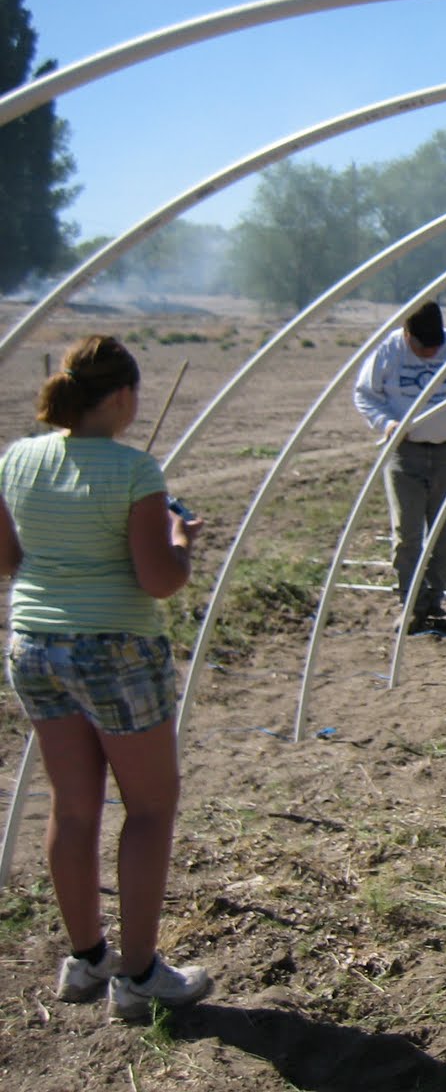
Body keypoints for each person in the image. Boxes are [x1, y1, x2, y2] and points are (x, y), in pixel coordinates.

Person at [1, 336, 212, 1020]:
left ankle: (87, 960)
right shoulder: (135, 472)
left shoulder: (16, 460)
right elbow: (157, 582)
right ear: (121, 397)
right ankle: (141, 973)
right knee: (149, 807)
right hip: (116, 652)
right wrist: (182, 544)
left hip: (34, 647)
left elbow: (8, 561)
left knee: (73, 805)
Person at [353, 302, 446, 632]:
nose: (431, 352)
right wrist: (386, 423)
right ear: (407, 334)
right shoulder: (388, 350)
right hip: (405, 453)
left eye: (435, 346)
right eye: (423, 347)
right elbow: (364, 395)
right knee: (407, 534)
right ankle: (411, 605)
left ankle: (434, 602)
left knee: (444, 533)